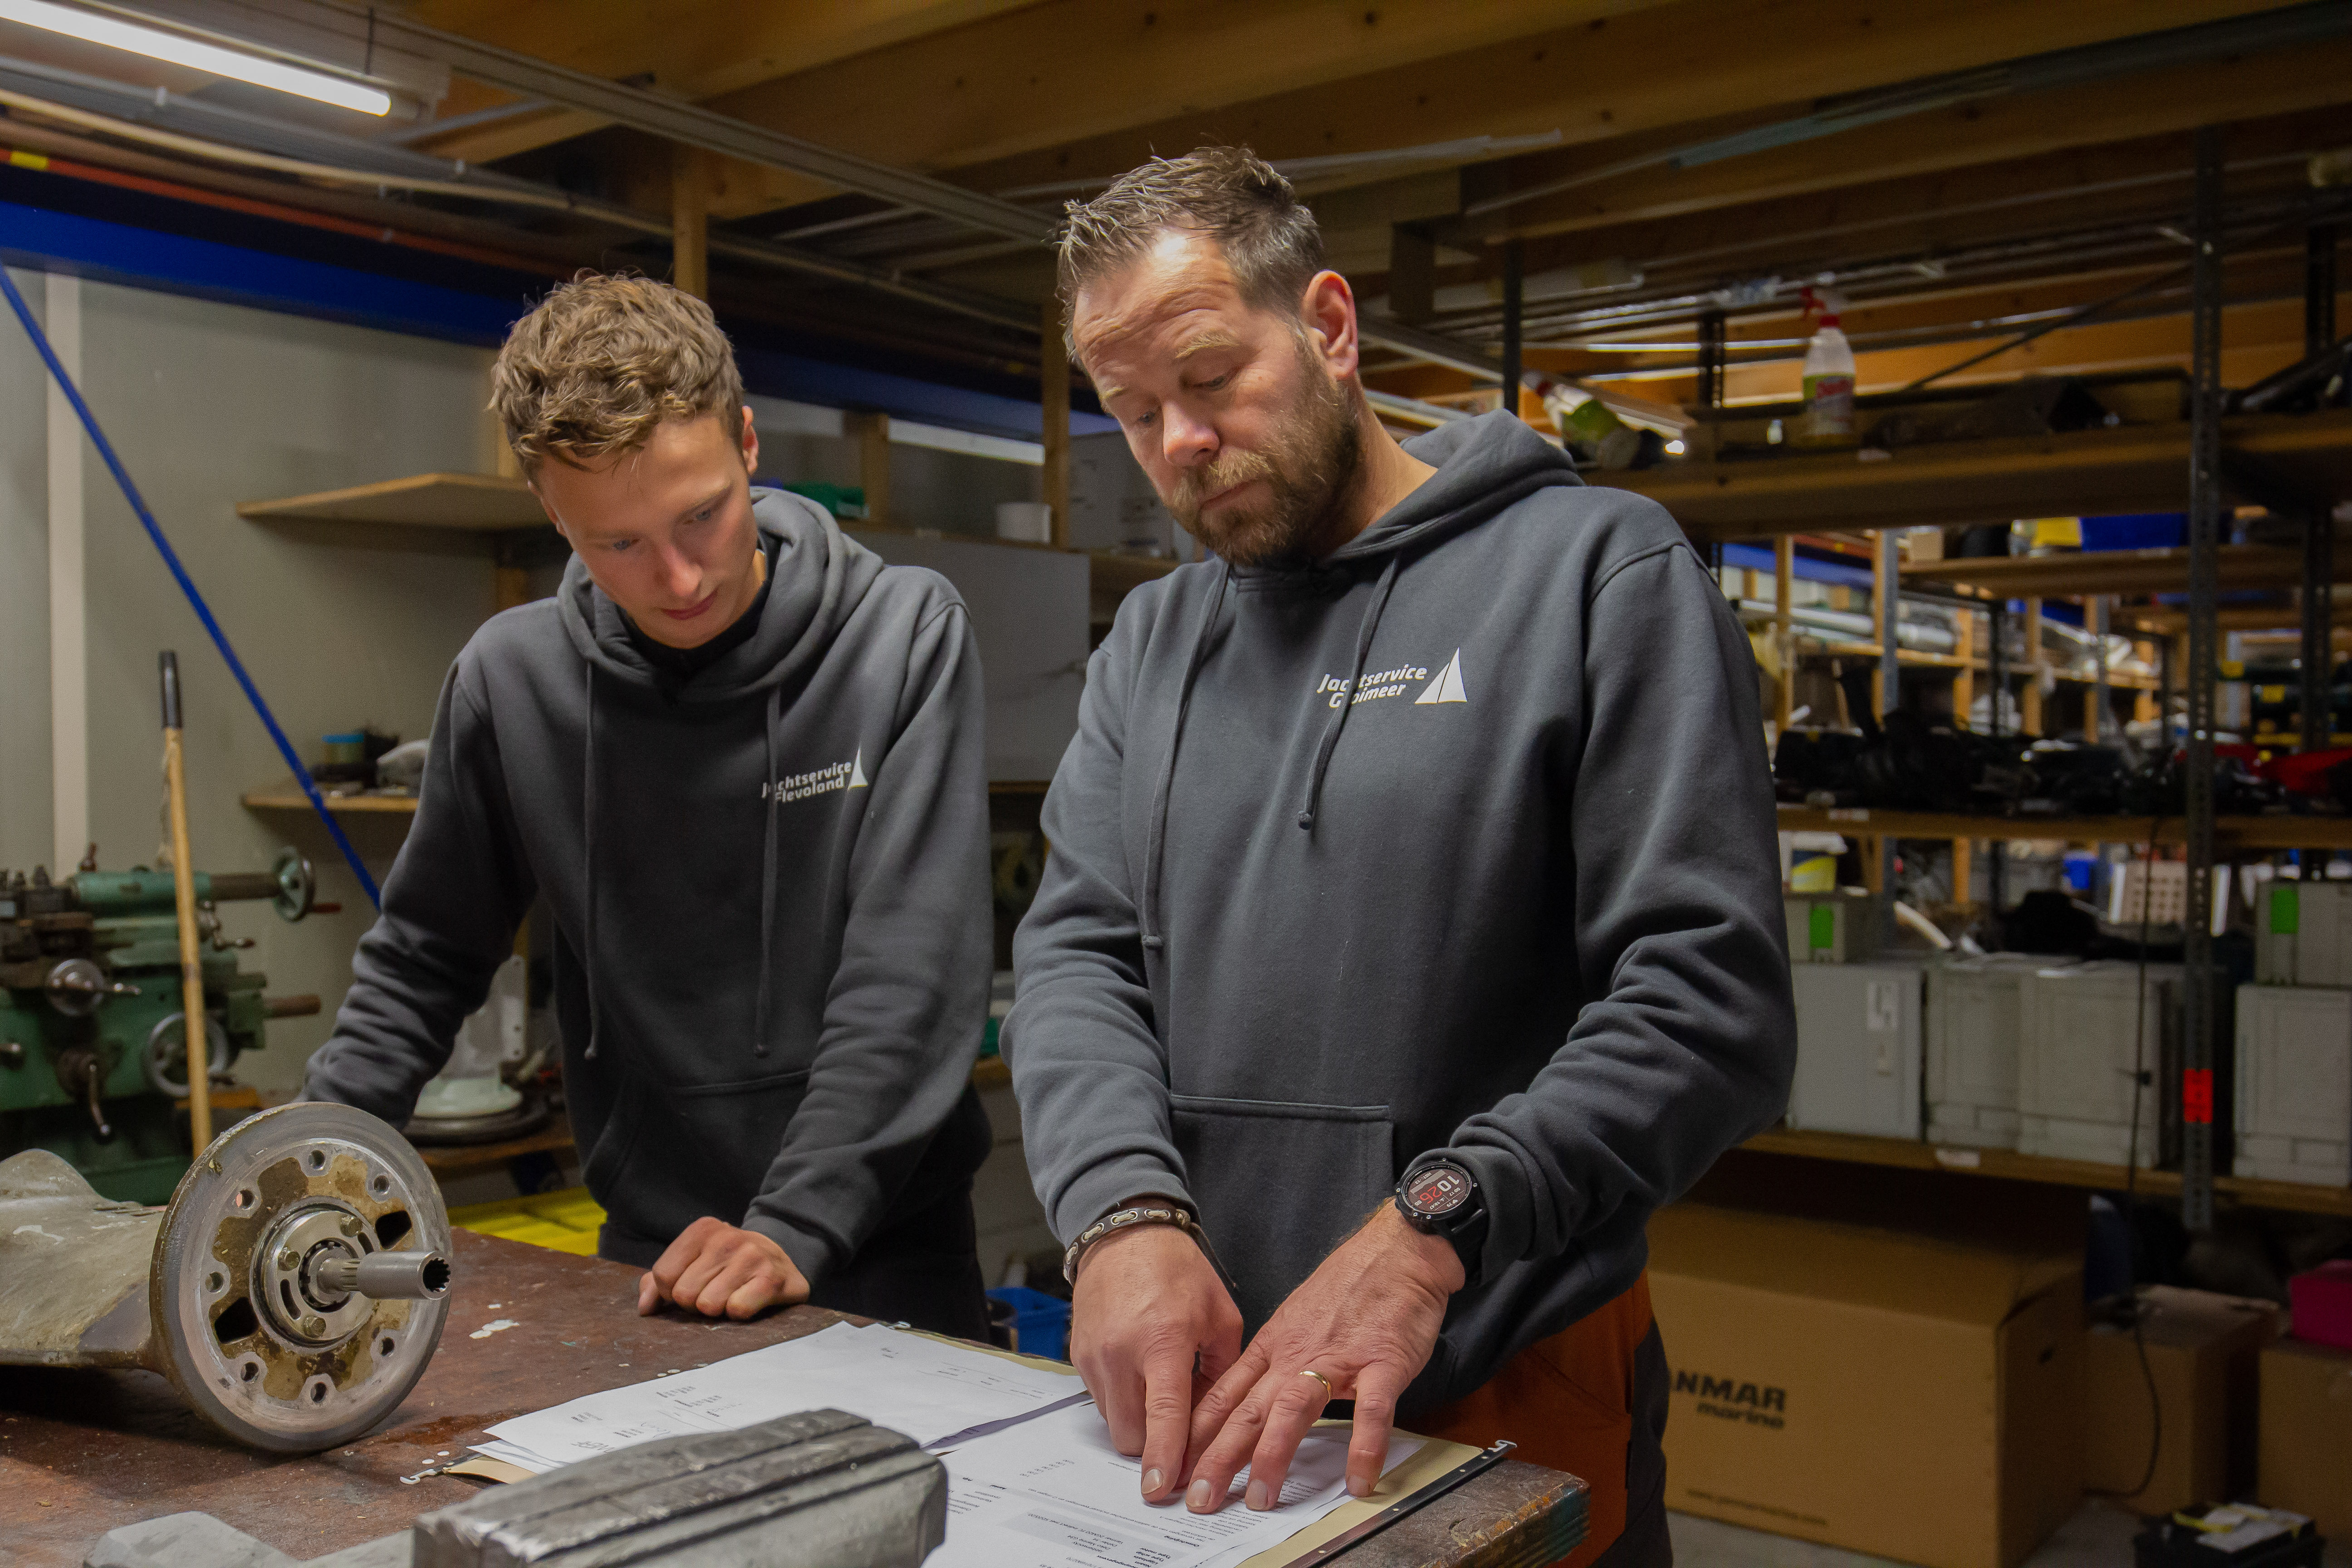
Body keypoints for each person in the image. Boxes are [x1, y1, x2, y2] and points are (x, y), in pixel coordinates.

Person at [1005, 148, 1794, 1564]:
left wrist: (1435, 1224)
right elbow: (1078, 951)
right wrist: (1121, 1215)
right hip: (1222, 1387)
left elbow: (1707, 1001)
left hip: (1502, 1349)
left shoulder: (1596, 575)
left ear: (1328, 323)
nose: (1179, 439)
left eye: (1207, 376)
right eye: (1132, 412)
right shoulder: (1154, 646)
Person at [304, 274, 994, 1338]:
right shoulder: (512, 680)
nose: (677, 578)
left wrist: (794, 1226)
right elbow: (423, 958)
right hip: (655, 1260)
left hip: (880, 1255)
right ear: (550, 510)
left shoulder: (899, 638)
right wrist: (305, 1172)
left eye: (702, 517)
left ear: (749, 445)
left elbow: (909, 977)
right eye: (617, 543)